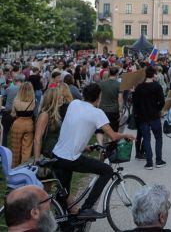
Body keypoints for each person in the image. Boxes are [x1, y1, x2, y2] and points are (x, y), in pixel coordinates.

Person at [52, 83, 135, 219]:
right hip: (71, 158)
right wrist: (126, 135)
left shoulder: (74, 104)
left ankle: (64, 222)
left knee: (64, 196)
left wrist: (84, 147)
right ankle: (87, 208)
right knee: (107, 170)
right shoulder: (97, 113)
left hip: (57, 154)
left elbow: (74, 127)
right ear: (99, 97)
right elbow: (113, 136)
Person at [133, 66, 166, 170]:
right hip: (154, 116)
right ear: (154, 74)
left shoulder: (139, 87)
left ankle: (149, 162)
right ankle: (159, 160)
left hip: (143, 117)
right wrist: (157, 109)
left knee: (146, 139)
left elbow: (135, 103)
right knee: (158, 138)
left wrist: (133, 93)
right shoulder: (157, 86)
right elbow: (162, 102)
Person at [33, 88, 65, 161]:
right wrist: (37, 159)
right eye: (60, 95)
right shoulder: (45, 115)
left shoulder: (55, 114)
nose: (62, 97)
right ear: (54, 98)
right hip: (47, 154)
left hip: (56, 153)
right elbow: (37, 139)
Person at [10, 82, 36, 168]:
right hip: (29, 124)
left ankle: (14, 168)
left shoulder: (16, 100)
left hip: (18, 123)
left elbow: (13, 114)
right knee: (27, 149)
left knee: (16, 148)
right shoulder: (33, 101)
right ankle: (24, 167)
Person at [96, 66, 122, 145]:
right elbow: (120, 99)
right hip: (114, 110)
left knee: (100, 129)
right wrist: (120, 110)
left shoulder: (102, 83)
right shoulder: (119, 84)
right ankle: (110, 147)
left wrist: (97, 108)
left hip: (102, 109)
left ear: (109, 73)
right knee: (113, 129)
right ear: (117, 74)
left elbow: (99, 97)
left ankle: (100, 145)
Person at [2, 73, 23, 146]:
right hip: (19, 112)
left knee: (4, 131)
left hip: (8, 111)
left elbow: (3, 96)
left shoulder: (10, 88)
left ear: (15, 81)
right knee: (17, 132)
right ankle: (16, 146)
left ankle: (4, 147)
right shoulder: (24, 89)